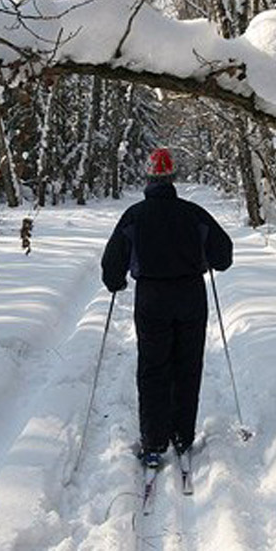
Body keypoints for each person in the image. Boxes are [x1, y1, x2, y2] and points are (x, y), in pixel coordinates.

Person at [100, 147, 233, 468]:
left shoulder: (134, 216)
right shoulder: (194, 214)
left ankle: (154, 439)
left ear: (148, 177)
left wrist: (115, 281)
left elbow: (112, 262)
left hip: (151, 297)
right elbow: (223, 256)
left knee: (153, 367)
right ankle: (182, 435)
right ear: (172, 177)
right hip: (190, 296)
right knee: (187, 365)